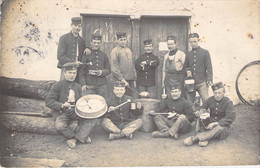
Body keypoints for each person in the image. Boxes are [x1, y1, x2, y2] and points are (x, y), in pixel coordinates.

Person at [45, 62, 98, 149]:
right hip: (62, 113)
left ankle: (75, 139)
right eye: (70, 73)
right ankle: (75, 137)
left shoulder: (77, 86)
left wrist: (86, 104)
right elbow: (48, 101)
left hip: (75, 112)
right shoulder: (58, 85)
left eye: (74, 73)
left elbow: (80, 101)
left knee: (93, 119)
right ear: (64, 73)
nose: (72, 75)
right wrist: (61, 105)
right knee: (59, 126)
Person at [184, 82, 236, 147]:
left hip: (222, 128)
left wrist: (216, 123)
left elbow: (230, 117)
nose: (217, 95)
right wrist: (200, 112)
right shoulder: (210, 99)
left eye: (219, 93)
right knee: (203, 117)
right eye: (215, 93)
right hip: (210, 125)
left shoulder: (228, 102)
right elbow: (202, 107)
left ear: (223, 93)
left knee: (219, 128)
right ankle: (205, 139)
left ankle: (195, 139)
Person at [57, 17, 90, 81]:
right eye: (75, 25)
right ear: (71, 25)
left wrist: (87, 48)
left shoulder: (81, 40)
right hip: (66, 68)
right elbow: (60, 56)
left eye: (79, 26)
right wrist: (73, 62)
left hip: (77, 70)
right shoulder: (64, 38)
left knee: (76, 88)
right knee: (64, 88)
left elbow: (85, 48)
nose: (77, 28)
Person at [78, 33, 111, 99]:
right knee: (89, 103)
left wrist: (102, 72)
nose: (96, 44)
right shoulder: (86, 54)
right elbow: (81, 71)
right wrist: (83, 84)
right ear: (91, 42)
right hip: (89, 84)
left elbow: (108, 69)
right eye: (94, 42)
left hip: (102, 85)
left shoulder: (103, 55)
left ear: (101, 43)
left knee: (103, 102)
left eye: (98, 43)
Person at [184, 33, 213, 104]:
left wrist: (209, 79)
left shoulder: (205, 52)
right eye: (191, 42)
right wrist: (187, 70)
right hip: (191, 82)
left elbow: (209, 67)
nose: (193, 44)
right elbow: (185, 66)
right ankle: (192, 114)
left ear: (198, 40)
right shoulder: (188, 54)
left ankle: (207, 114)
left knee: (206, 100)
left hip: (202, 81)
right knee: (190, 102)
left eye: (195, 41)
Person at [110, 32, 138, 98]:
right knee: (123, 99)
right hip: (121, 81)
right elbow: (114, 68)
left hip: (131, 80)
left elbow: (132, 65)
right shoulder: (115, 51)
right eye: (121, 40)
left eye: (124, 39)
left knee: (132, 99)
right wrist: (122, 79)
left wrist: (134, 79)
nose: (123, 42)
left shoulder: (129, 50)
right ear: (117, 40)